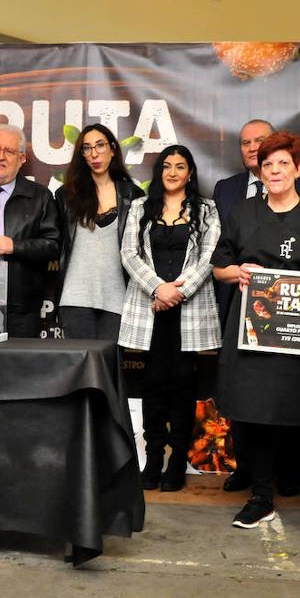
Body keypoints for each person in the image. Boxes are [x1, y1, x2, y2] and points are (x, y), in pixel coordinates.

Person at [211, 131, 300, 542]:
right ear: (260, 170)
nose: (274, 171)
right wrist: (238, 272)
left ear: (296, 169)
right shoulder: (243, 213)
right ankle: (261, 498)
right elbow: (219, 266)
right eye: (267, 164)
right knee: (253, 416)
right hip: (253, 331)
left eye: (282, 164)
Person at [211, 119, 300, 494]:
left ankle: (287, 470)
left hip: (293, 316)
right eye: (246, 142)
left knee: (285, 391)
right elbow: (221, 254)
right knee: (244, 391)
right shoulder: (226, 190)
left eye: (260, 141)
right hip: (238, 307)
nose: (253, 148)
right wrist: (236, 273)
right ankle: (247, 469)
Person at [119, 145, 221, 492]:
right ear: (159, 171)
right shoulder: (140, 207)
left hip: (188, 311)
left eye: (180, 166)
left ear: (190, 173)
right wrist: (158, 289)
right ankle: (153, 459)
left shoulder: (207, 209)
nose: (173, 172)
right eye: (166, 166)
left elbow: (210, 256)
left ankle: (177, 460)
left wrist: (179, 291)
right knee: (152, 387)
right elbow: (129, 253)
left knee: (182, 387)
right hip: (151, 310)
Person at [0, 124, 62, 338]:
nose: (0, 157)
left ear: (22, 158)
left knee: (18, 359)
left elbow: (53, 245)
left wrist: (16, 246)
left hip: (19, 307)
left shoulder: (40, 197)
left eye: (9, 151)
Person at [55, 123, 144, 339]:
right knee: (80, 360)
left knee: (109, 360)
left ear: (112, 149)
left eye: (100, 145)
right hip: (74, 299)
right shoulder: (66, 195)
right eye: (87, 148)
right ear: (82, 155)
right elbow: (55, 243)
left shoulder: (133, 195)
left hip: (118, 299)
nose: (94, 153)